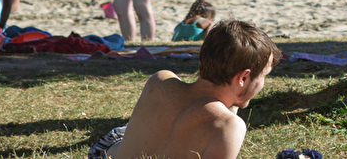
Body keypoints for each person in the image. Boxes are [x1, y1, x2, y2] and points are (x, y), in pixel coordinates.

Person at [90, 20, 280, 159]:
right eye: (264, 76)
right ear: (244, 78)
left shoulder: (160, 81)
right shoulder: (228, 127)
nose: (262, 84)